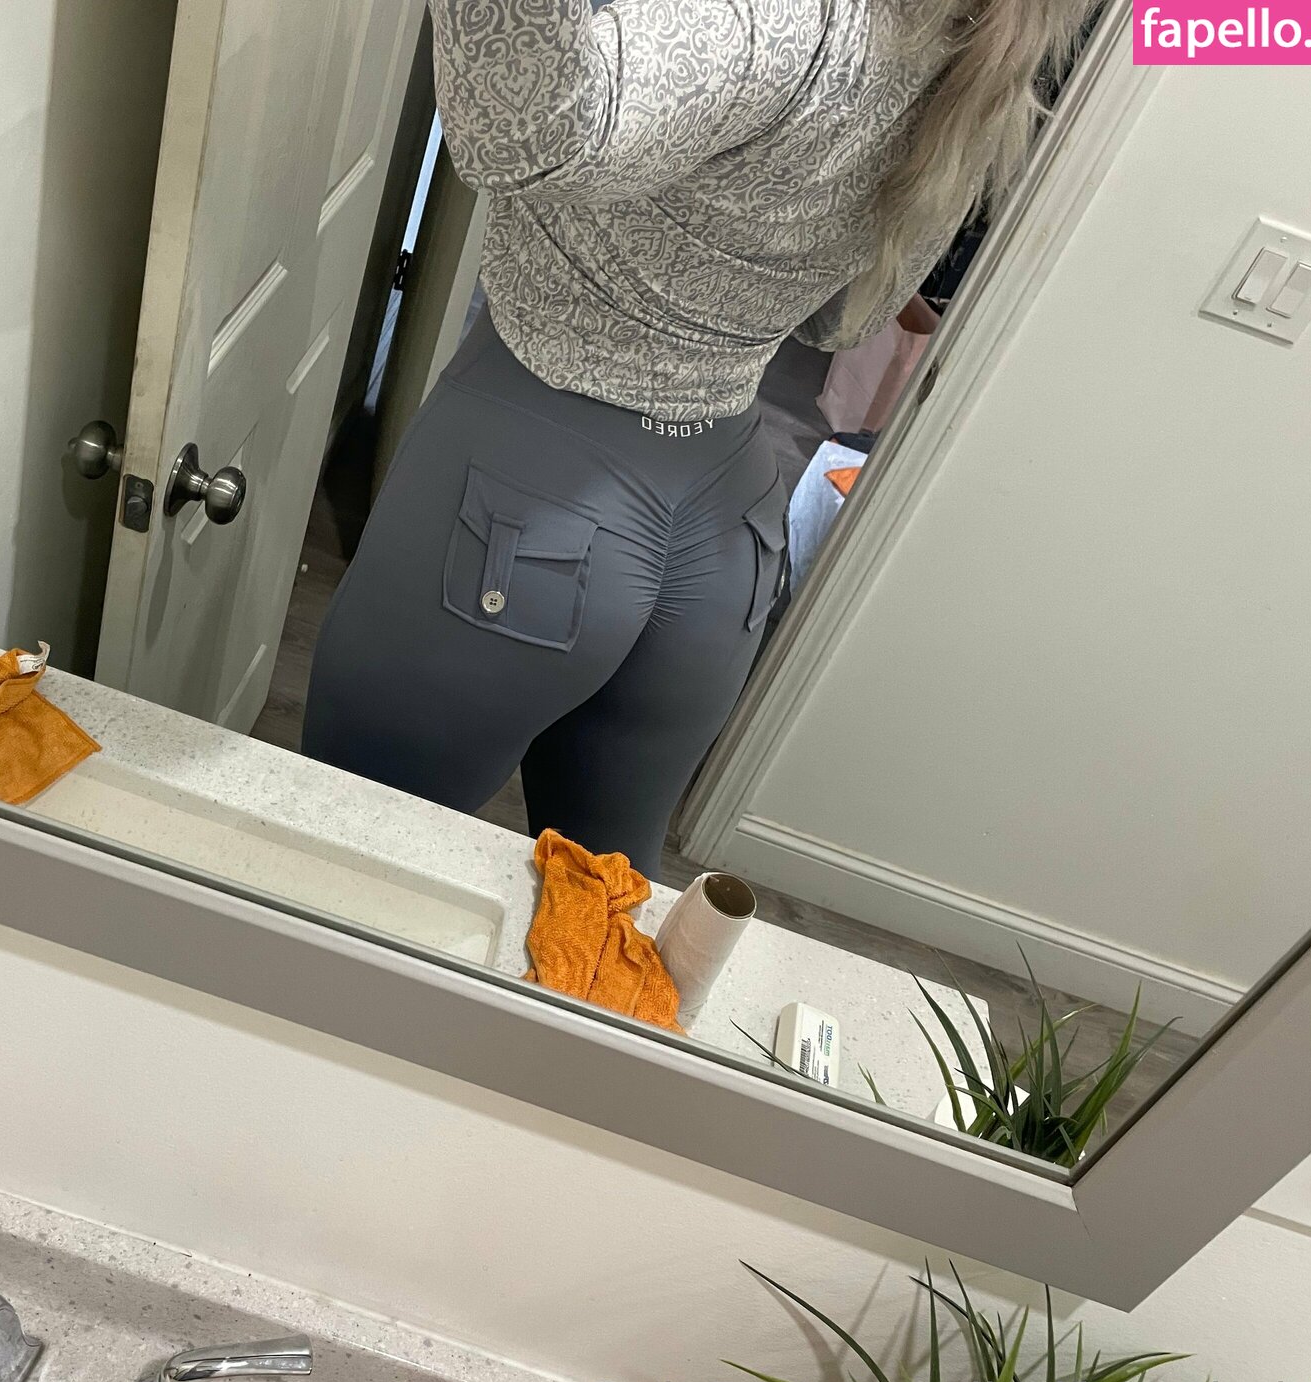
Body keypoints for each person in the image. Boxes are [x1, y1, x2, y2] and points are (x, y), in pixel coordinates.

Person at [303, 0, 1093, 878]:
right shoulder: (969, 49)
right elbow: (839, 319)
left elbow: (524, 131)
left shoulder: (785, 18)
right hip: (728, 531)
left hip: (531, 495)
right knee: (601, 907)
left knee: (339, 856)